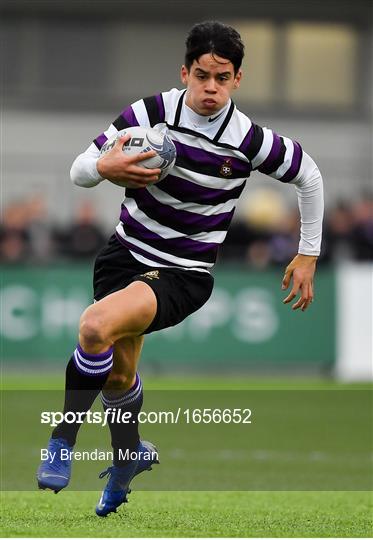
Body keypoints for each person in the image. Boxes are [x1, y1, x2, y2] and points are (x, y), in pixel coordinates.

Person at [37, 21, 323, 517]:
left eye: (223, 77)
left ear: (237, 79)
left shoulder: (248, 140)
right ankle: (129, 459)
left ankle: (62, 440)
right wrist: (103, 168)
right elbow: (79, 169)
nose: (211, 88)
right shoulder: (150, 115)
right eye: (202, 76)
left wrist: (308, 252)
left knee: (93, 326)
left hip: (183, 274)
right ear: (185, 72)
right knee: (118, 374)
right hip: (123, 256)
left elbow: (309, 175)